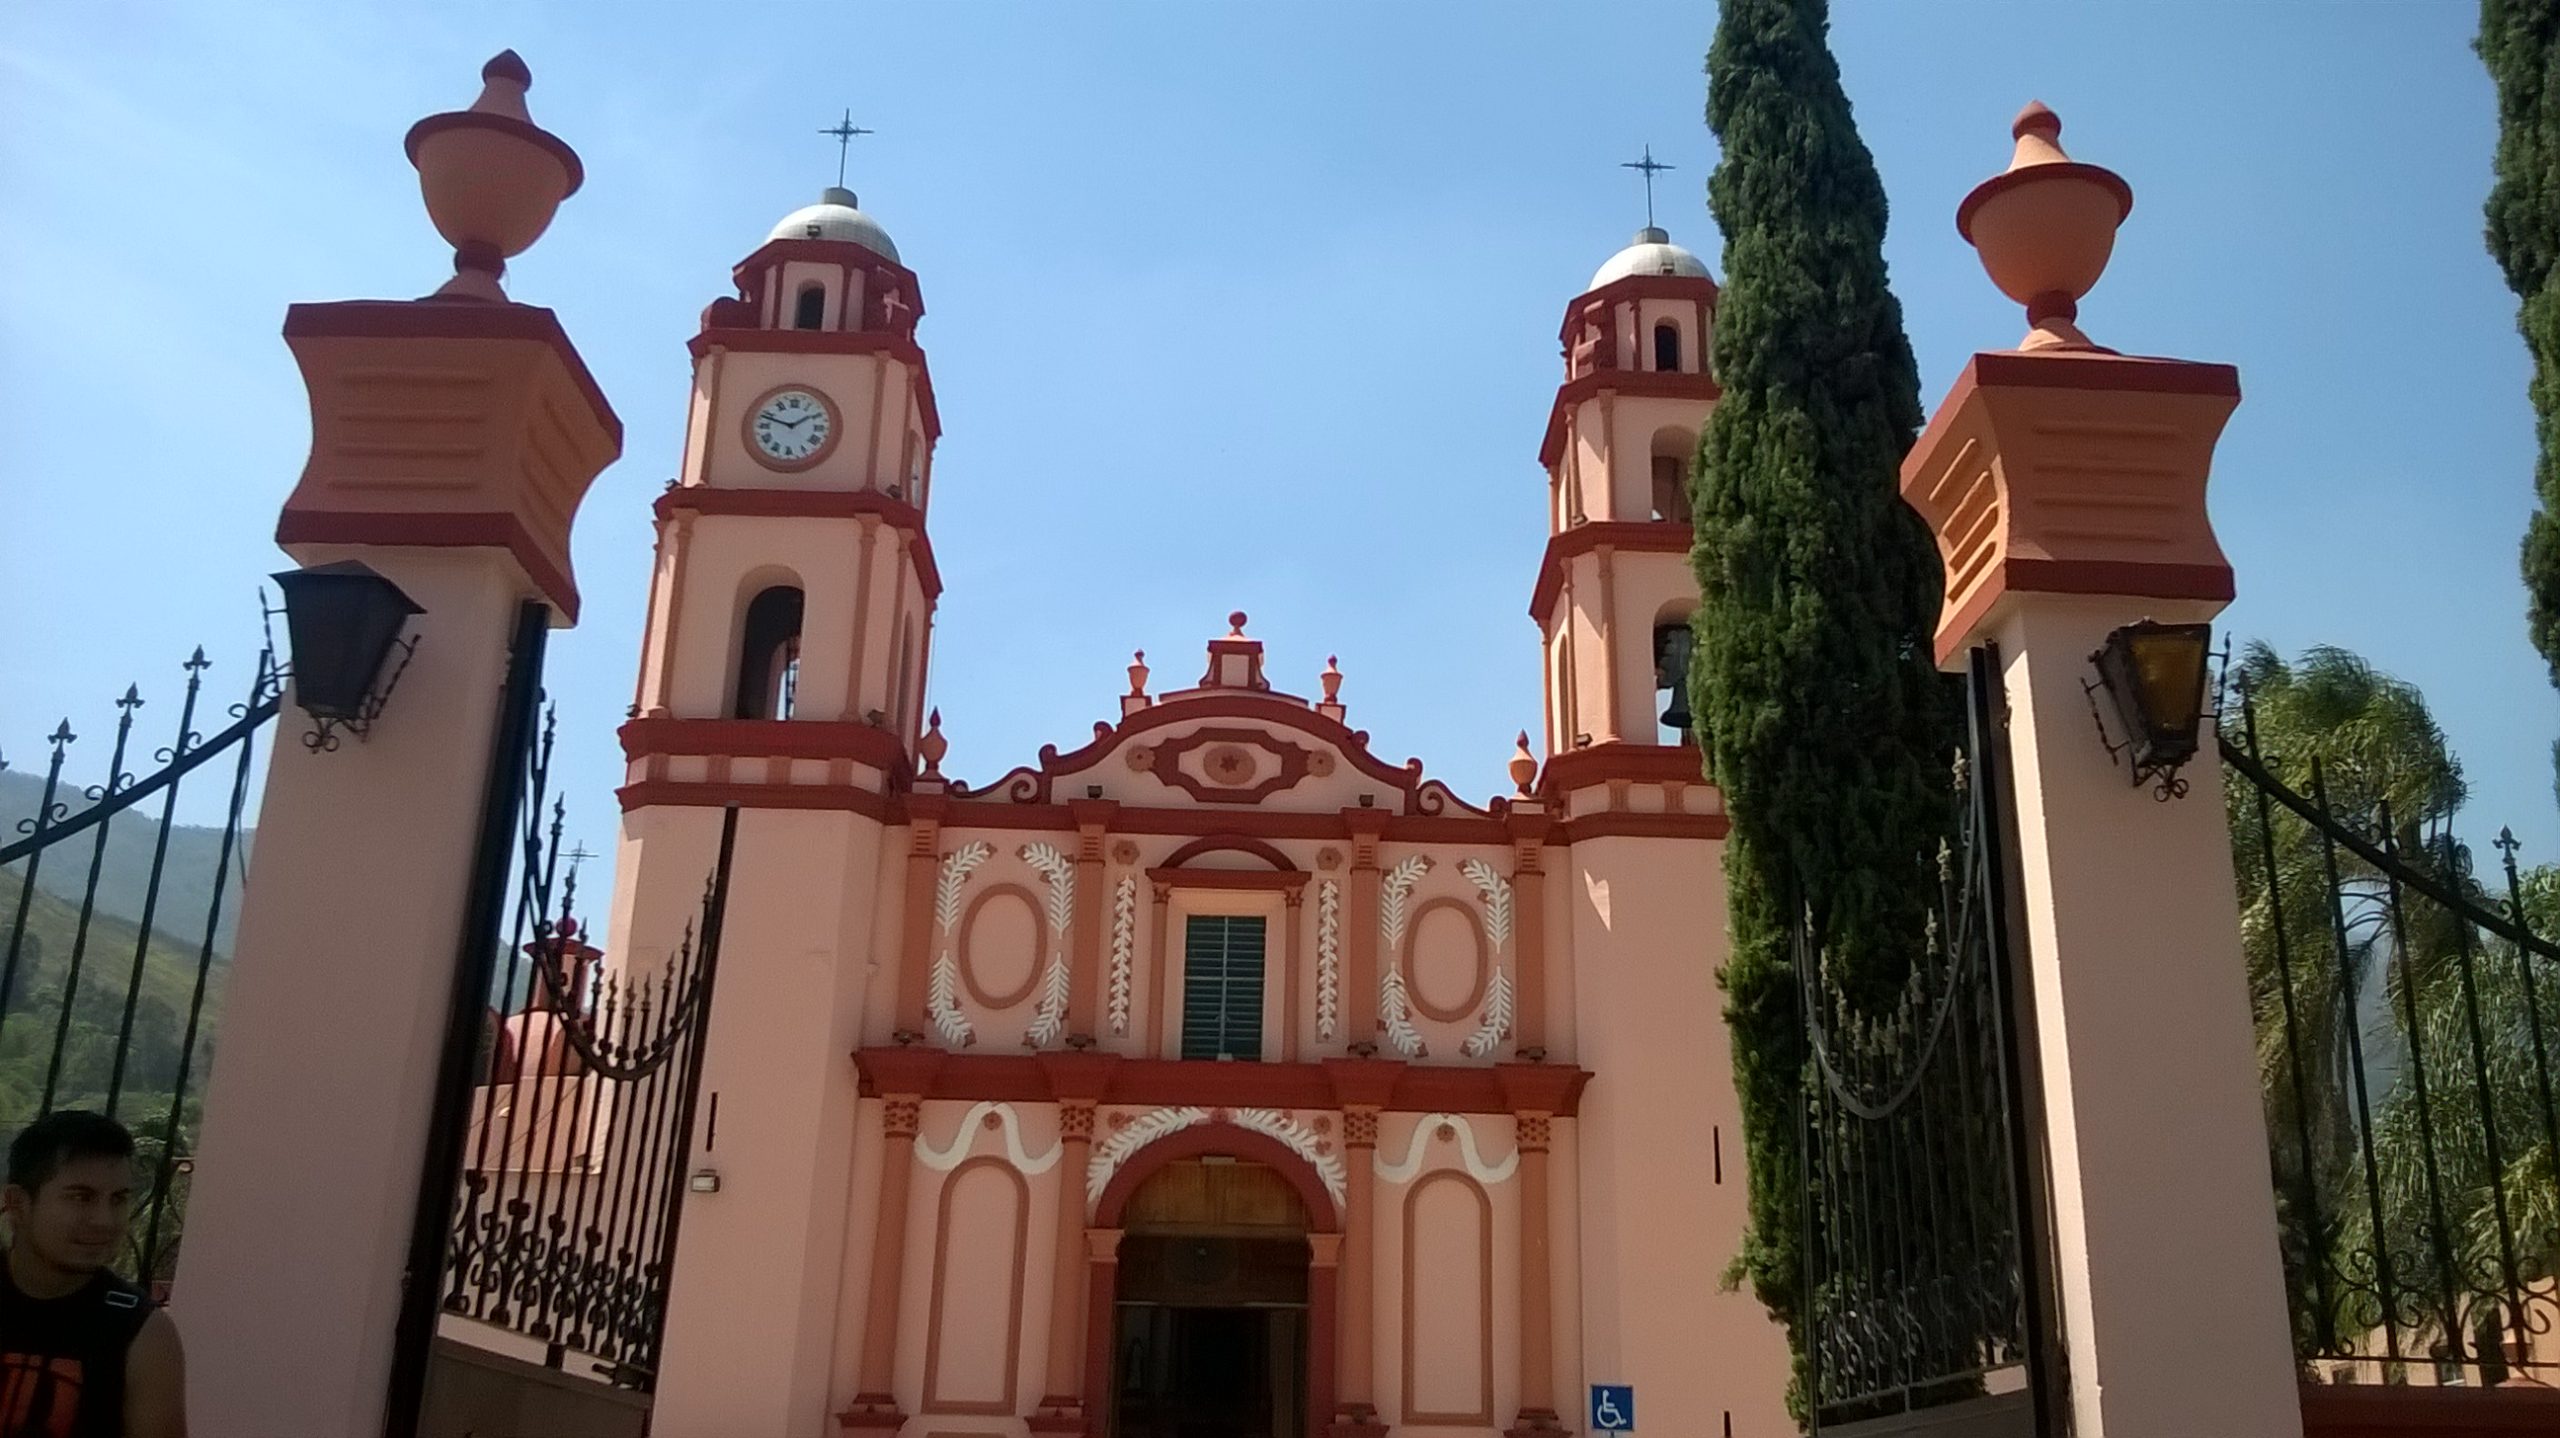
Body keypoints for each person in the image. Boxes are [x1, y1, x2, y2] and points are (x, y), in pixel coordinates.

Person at [0, 1111, 185, 1437]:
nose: (105, 1220)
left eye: (118, 1199)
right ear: (18, 1204)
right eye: (81, 1197)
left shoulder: (140, 1333)